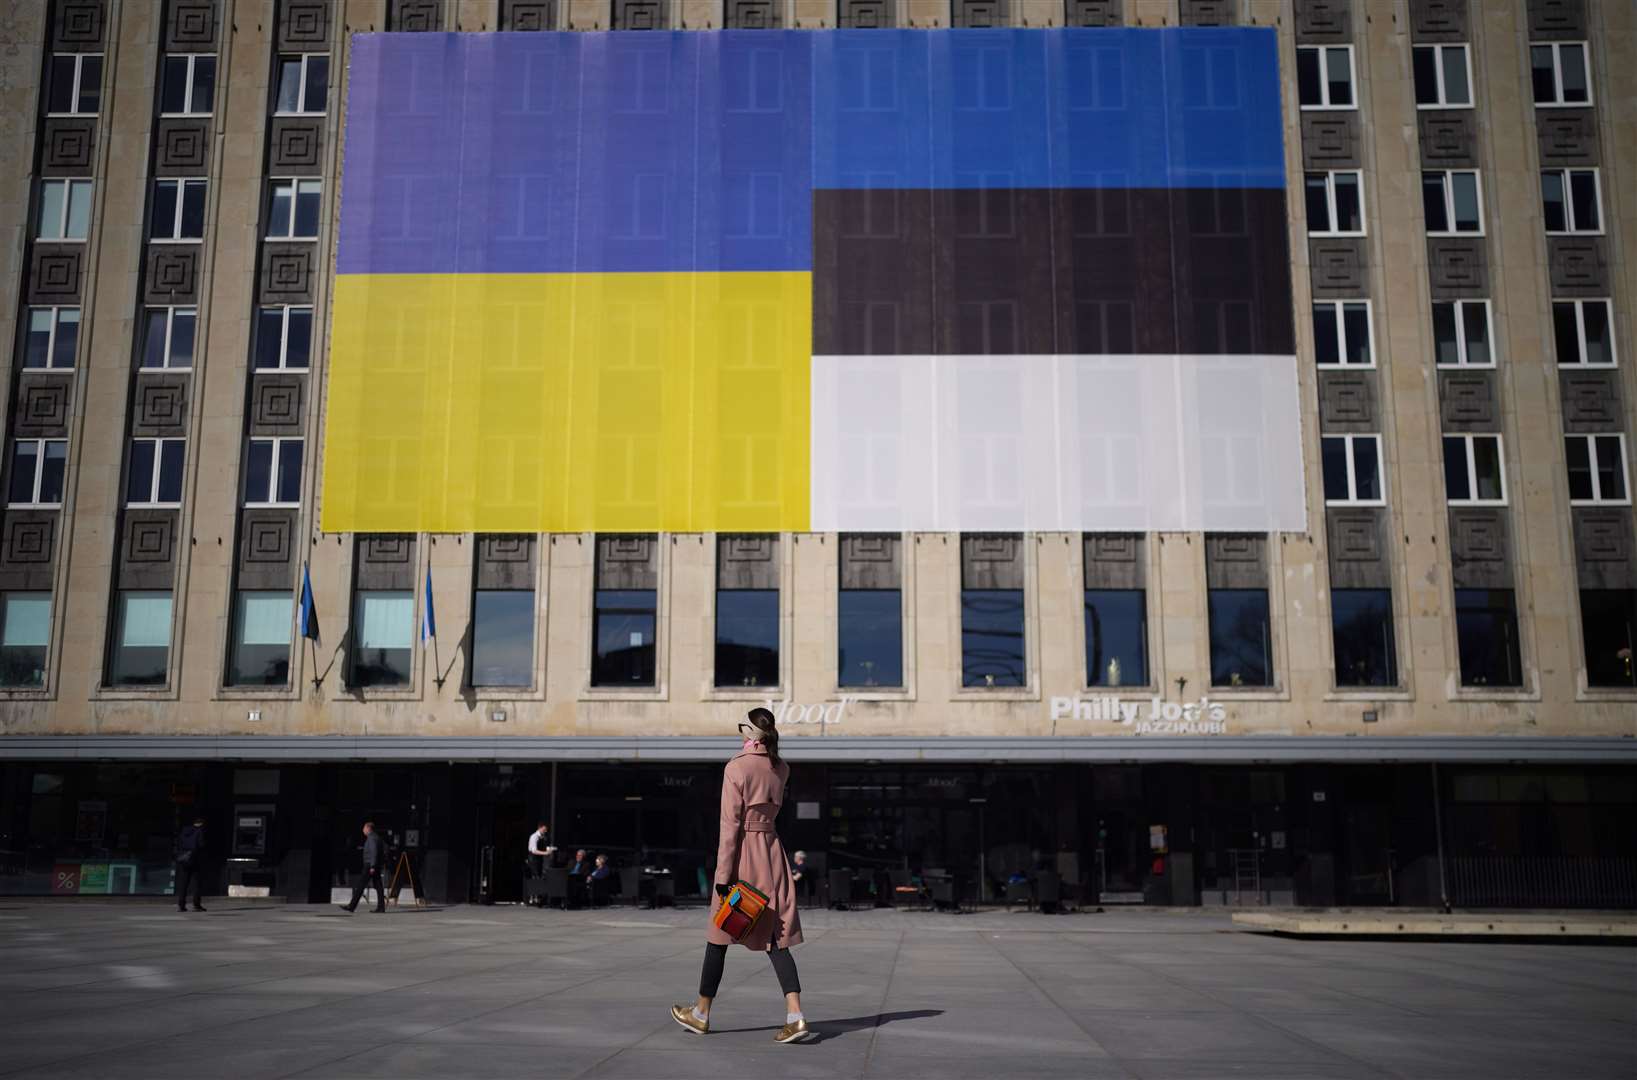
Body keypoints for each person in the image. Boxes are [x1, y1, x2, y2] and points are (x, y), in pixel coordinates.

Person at [672, 707, 810, 1045]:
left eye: (741, 727)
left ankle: (701, 1013)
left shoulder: (736, 767)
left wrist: (723, 875)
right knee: (776, 936)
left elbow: (729, 826)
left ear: (753, 733)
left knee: (719, 934)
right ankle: (796, 1015)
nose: (738, 732)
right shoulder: (781, 768)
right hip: (772, 853)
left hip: (743, 856)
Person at [341, 821, 387, 913]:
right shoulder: (377, 837)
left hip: (369, 865)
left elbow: (374, 852)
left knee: (361, 885)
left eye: (364, 828)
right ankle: (381, 907)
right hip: (374, 864)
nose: (363, 830)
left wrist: (373, 866)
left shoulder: (371, 838)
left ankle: (352, 906)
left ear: (368, 828)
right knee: (378, 886)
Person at [174, 817, 206, 913]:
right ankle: (196, 905)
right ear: (200, 823)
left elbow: (179, 843)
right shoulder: (199, 831)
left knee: (183, 883)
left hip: (184, 859)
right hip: (195, 860)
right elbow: (201, 845)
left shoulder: (184, 831)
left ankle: (181, 905)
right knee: (197, 883)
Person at [526, 823, 555, 906]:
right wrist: (545, 853)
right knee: (535, 877)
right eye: (544, 829)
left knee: (538, 877)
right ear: (539, 828)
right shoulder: (534, 837)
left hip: (539, 860)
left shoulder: (542, 837)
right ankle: (533, 898)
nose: (545, 831)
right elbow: (534, 850)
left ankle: (537, 898)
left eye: (546, 829)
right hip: (533, 859)